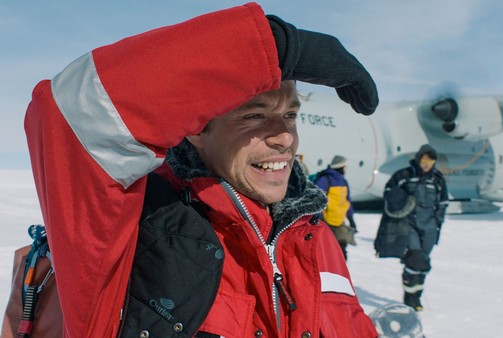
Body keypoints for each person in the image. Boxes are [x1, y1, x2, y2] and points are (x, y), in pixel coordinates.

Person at [24, 3, 379, 337]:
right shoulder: (136, 238)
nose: (285, 136)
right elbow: (67, 116)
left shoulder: (314, 236)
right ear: (196, 130)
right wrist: (275, 48)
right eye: (254, 116)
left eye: (290, 115)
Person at [374, 144, 448, 312]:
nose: (426, 163)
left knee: (423, 263)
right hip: (410, 225)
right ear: (419, 159)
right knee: (414, 259)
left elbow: (443, 202)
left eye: (430, 160)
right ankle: (409, 299)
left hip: (429, 227)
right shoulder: (405, 175)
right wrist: (400, 203)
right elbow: (389, 191)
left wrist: (437, 221)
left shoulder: (437, 179)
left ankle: (417, 296)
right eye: (424, 159)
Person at [314, 155, 357, 261]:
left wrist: (351, 219)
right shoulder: (325, 180)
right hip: (326, 222)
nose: (346, 169)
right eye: (345, 166)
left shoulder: (343, 181)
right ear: (341, 166)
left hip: (339, 223)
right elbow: (316, 200)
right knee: (327, 252)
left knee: (342, 252)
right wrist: (319, 218)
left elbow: (347, 202)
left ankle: (340, 275)